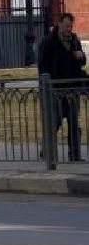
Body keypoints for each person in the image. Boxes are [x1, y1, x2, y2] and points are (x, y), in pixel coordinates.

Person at [38, 11, 86, 162]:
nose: (68, 29)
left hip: (72, 89)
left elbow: (81, 62)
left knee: (73, 124)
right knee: (55, 123)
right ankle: (48, 153)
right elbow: (43, 66)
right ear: (59, 24)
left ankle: (75, 155)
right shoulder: (49, 42)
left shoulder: (74, 40)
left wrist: (82, 56)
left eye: (70, 26)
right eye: (66, 26)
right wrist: (48, 85)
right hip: (56, 90)